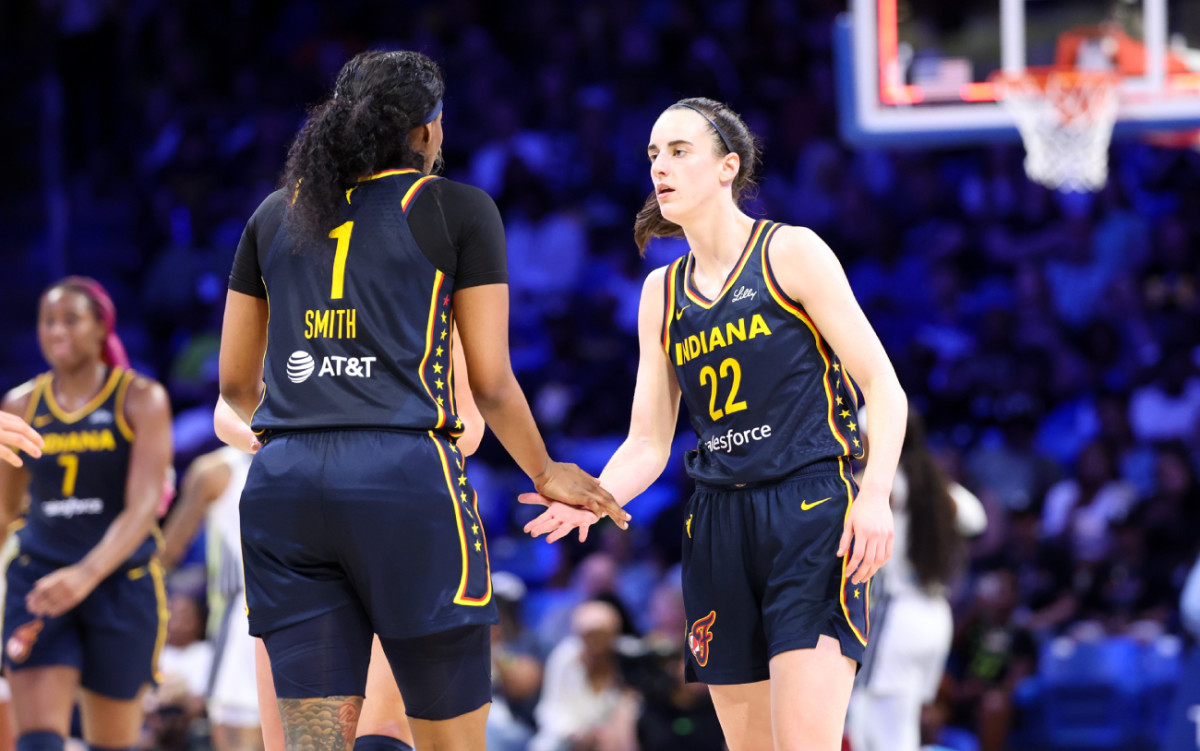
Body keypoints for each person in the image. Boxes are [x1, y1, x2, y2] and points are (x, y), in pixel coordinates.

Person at [218, 49, 626, 751]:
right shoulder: (456, 208)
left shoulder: (272, 214)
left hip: (284, 486)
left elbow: (232, 384)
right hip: (404, 479)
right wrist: (543, 469)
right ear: (428, 131)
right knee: (441, 735)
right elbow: (492, 382)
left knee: (318, 741)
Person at [523, 97, 906, 751]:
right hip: (718, 527)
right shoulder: (661, 294)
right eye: (652, 155)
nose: (660, 168)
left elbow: (884, 388)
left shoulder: (791, 252)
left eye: (678, 151)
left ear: (728, 166)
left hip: (810, 512)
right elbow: (648, 441)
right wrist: (598, 494)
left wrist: (873, 497)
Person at [0, 276, 174, 751]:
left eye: (70, 320)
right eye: (48, 321)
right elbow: (3, 510)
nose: (57, 331)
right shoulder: (20, 404)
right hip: (38, 583)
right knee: (37, 742)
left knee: (111, 744)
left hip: (118, 583)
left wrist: (84, 576)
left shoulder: (140, 397)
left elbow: (143, 509)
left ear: (102, 328)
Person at [848, 408, 987, 751]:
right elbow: (976, 519)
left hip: (895, 617)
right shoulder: (937, 487)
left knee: (870, 725)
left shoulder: (878, 483)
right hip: (935, 618)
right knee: (902, 723)